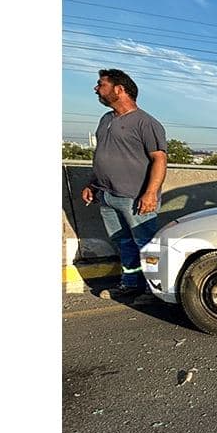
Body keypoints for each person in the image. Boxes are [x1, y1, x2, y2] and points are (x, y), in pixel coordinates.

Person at [79, 69, 168, 299]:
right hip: (107, 195)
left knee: (146, 244)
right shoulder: (106, 119)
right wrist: (92, 183)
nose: (96, 88)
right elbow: (102, 154)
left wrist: (150, 194)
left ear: (119, 89)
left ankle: (155, 290)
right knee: (124, 242)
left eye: (101, 84)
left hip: (135, 197)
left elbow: (159, 159)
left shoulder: (146, 123)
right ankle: (130, 283)